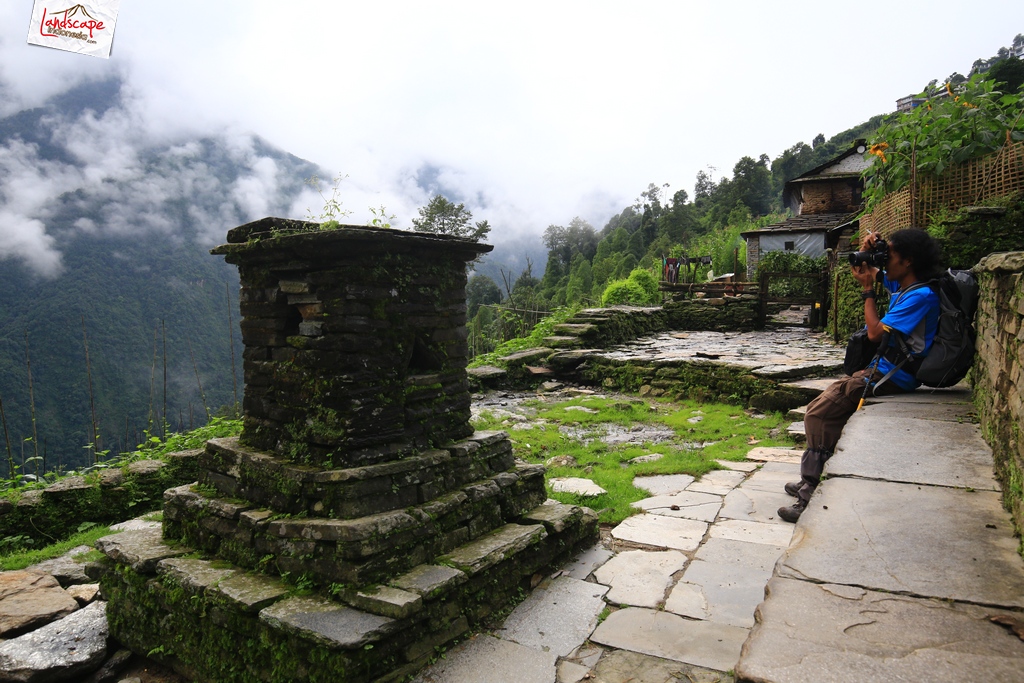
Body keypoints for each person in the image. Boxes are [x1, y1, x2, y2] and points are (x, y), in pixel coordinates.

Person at [777, 228, 942, 523]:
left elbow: (876, 333)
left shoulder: (920, 296)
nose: (884, 259)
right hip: (883, 370)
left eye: (889, 254)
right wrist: (871, 250)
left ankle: (809, 493)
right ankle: (811, 479)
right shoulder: (904, 285)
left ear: (908, 261)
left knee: (819, 414)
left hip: (895, 375)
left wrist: (867, 292)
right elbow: (874, 271)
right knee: (822, 409)